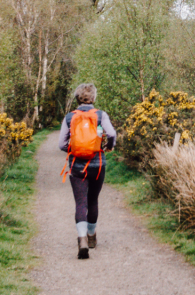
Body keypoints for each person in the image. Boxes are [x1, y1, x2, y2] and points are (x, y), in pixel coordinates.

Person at [58, 83, 116, 259]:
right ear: (93, 98)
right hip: (97, 164)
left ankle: (81, 239)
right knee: (93, 200)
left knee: (80, 202)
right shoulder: (100, 115)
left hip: (77, 166)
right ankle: (91, 236)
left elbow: (61, 144)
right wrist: (108, 146)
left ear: (77, 98)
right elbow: (112, 134)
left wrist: (73, 149)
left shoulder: (70, 117)